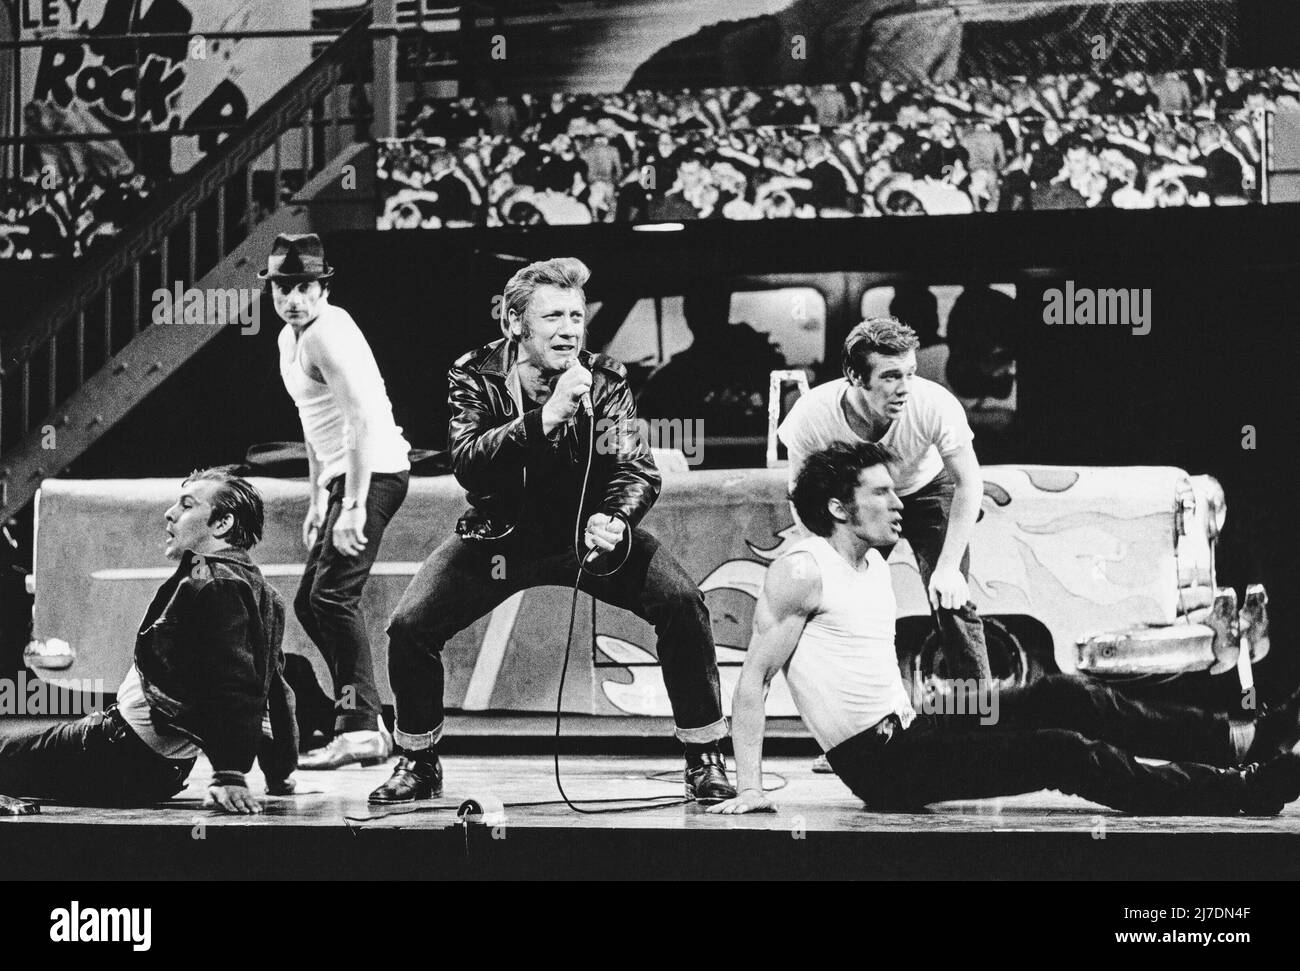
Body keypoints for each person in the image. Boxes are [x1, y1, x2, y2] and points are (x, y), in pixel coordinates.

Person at [709, 442, 1300, 817]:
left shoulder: (870, 565)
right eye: (881, 492)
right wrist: (751, 787)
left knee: (1063, 693)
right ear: (839, 507)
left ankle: (1238, 738)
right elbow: (754, 681)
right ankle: (1244, 790)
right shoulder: (802, 572)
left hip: (921, 718)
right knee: (1061, 751)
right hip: (884, 760)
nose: (898, 503)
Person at [370, 257, 735, 805]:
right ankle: (418, 761)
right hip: (502, 538)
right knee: (410, 627)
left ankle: (704, 755)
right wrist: (542, 421)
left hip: (586, 534)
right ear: (515, 322)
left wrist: (616, 517)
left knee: (682, 604)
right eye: (551, 318)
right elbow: (469, 461)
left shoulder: (606, 380)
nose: (568, 329)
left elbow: (634, 466)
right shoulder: (474, 374)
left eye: (575, 316)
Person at [0, 468, 298, 817]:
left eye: (186, 505)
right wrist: (279, 770)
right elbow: (276, 690)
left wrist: (229, 773)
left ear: (222, 524)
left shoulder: (215, 583)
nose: (170, 512)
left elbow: (235, 682)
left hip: (117, 755)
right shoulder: (264, 592)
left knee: (6, 758)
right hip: (156, 770)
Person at [778, 316, 991, 682]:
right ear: (855, 376)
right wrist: (826, 559)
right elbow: (802, 495)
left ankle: (981, 718)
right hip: (864, 499)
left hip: (927, 489)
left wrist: (948, 567)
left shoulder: (934, 404)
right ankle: (861, 707)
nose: (904, 387)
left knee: (951, 599)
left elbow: (969, 483)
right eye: (890, 376)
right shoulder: (811, 414)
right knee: (846, 602)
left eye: (910, 373)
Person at [267, 234, 412, 770]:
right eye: (284, 289)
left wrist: (351, 505)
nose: (294, 299)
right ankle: (361, 717)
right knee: (312, 601)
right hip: (343, 479)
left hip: (373, 474)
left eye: (304, 287)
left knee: (331, 599)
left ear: (322, 286)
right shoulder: (291, 339)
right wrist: (316, 499)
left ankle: (360, 731)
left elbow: (359, 421)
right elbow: (314, 425)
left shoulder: (328, 333)